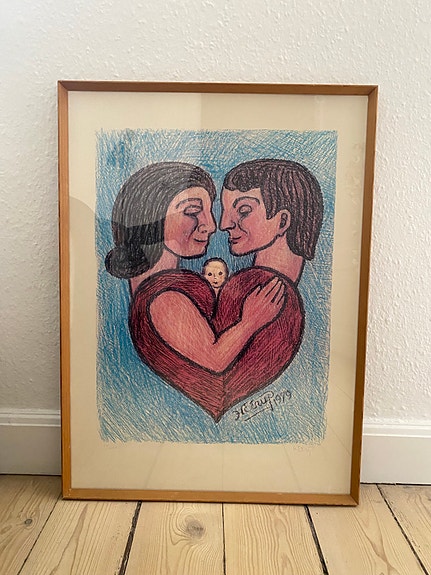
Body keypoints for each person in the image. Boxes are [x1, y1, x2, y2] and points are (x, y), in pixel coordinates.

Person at [105, 161, 286, 375]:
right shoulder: (164, 298)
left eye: (208, 212)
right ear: (150, 218)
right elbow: (215, 360)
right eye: (192, 212)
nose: (211, 226)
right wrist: (250, 321)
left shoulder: (167, 289)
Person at [220, 159, 323, 283]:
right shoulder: (248, 286)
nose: (224, 225)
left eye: (243, 211)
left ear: (283, 222)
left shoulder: (271, 291)